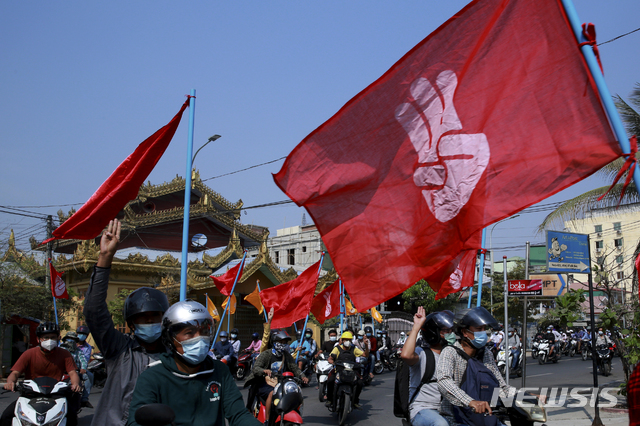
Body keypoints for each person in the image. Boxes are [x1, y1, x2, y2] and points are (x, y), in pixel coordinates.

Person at [83, 219, 170, 426]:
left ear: (164, 319)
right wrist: (105, 257)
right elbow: (94, 311)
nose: (149, 320)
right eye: (142, 317)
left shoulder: (174, 356)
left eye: (154, 316)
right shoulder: (119, 349)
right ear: (131, 323)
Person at [126, 300, 261, 426]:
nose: (199, 339)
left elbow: (238, 414)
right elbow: (136, 421)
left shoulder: (220, 371)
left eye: (204, 332)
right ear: (170, 339)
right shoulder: (152, 377)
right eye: (189, 333)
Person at [436, 307, 516, 425]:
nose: (483, 332)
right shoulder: (450, 352)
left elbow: (501, 386)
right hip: (458, 420)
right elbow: (443, 380)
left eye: (484, 329)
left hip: (486, 418)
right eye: (479, 329)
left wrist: (525, 396)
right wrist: (470, 402)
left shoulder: (485, 353)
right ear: (464, 332)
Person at [1, 322, 82, 426]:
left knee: (71, 417)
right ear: (38, 339)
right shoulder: (29, 353)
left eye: (53, 337)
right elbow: (15, 373)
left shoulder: (65, 354)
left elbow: (72, 373)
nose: (49, 340)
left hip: (56, 393)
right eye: (46, 337)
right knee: (6, 416)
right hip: (30, 394)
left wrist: (75, 384)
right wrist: (10, 382)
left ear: (58, 338)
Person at [401, 307, 454, 426]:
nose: (451, 334)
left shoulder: (452, 355)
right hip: (422, 409)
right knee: (441, 424)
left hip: (447, 409)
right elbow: (406, 355)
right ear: (434, 333)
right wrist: (416, 326)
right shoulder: (423, 354)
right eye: (447, 331)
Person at [244, 329, 308, 425]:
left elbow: (295, 368)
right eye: (280, 342)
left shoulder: (286, 355)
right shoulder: (266, 354)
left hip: (282, 383)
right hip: (266, 383)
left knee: (296, 391)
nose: (283, 344)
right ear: (274, 342)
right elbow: (256, 368)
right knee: (271, 393)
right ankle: (267, 420)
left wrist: (303, 376)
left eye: (285, 342)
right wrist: (264, 371)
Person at [325, 331, 369, 410]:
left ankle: (355, 401)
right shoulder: (337, 349)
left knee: (359, 383)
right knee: (330, 380)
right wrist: (331, 361)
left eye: (349, 340)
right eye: (346, 340)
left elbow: (365, 355)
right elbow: (330, 357)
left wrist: (366, 345)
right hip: (339, 371)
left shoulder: (354, 349)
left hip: (352, 372)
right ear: (342, 340)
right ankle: (330, 400)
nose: (347, 342)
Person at [61, 332, 94, 408]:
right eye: (69, 339)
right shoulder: (61, 349)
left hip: (76, 371)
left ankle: (84, 399)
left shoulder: (78, 351)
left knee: (89, 375)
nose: (71, 341)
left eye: (73, 340)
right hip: (63, 372)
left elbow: (83, 361)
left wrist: (83, 368)